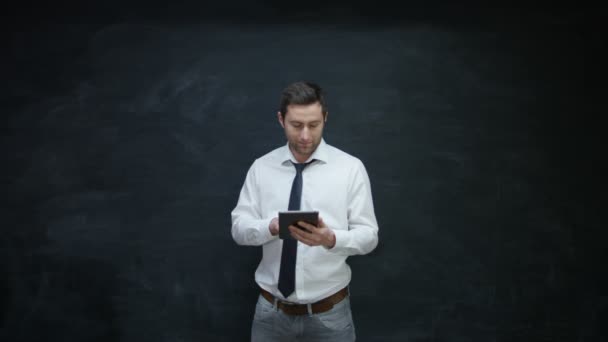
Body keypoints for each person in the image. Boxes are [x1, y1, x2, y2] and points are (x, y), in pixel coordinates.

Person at [231, 81, 379, 341]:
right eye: (296, 125)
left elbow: (369, 236)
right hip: (270, 315)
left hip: (330, 315)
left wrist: (331, 239)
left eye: (314, 124)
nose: (305, 136)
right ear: (281, 119)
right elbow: (239, 230)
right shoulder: (261, 168)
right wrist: (271, 227)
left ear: (325, 118)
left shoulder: (350, 168)